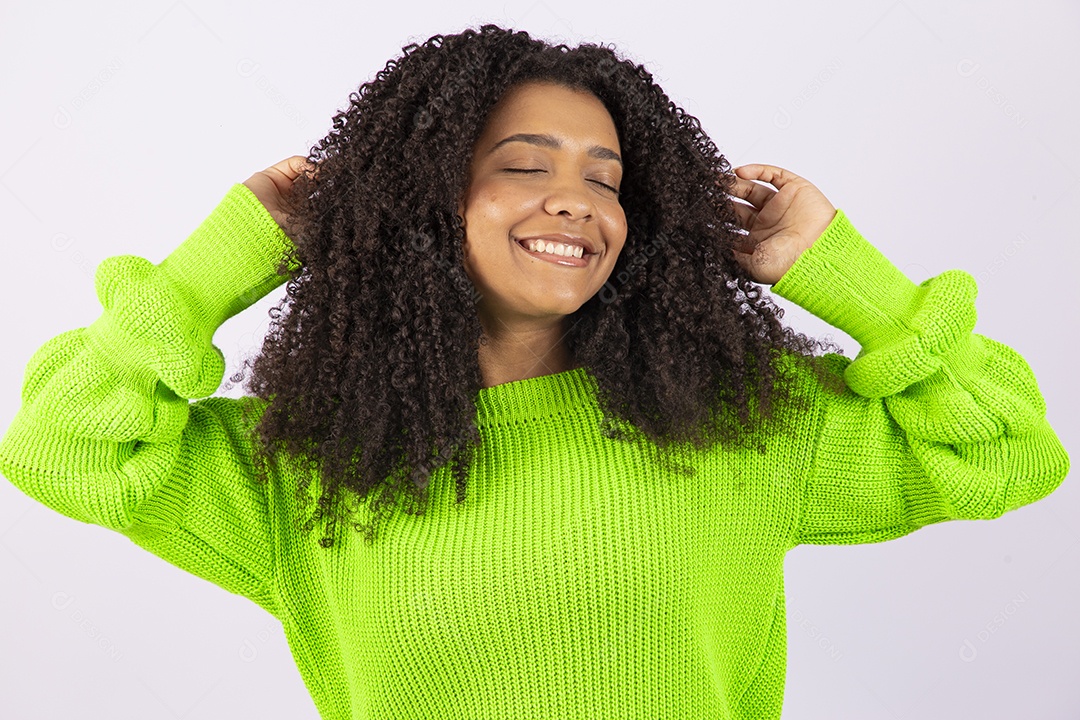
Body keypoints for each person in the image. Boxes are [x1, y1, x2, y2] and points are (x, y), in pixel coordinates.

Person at [0, 23, 1069, 720]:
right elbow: (61, 447)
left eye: (605, 180)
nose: (577, 201)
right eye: (522, 167)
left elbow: (1013, 450)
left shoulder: (745, 423)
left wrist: (849, 280)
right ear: (421, 202)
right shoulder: (303, 467)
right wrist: (219, 264)